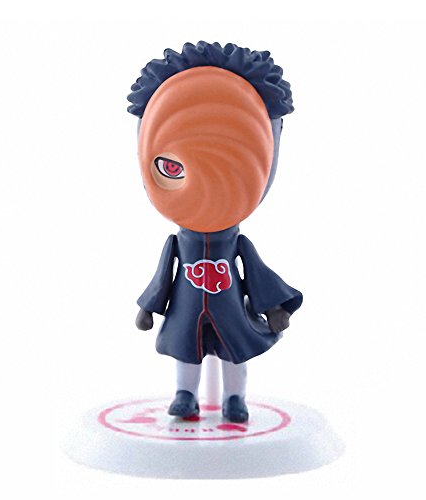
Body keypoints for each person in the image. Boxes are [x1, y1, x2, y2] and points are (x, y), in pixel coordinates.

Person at [127, 41, 302, 423]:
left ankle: (234, 399)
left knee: (232, 355)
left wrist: (273, 307)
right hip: (186, 309)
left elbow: (255, 273)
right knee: (186, 354)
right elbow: (163, 277)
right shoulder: (178, 242)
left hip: (229, 310)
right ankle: (185, 395)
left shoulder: (236, 242)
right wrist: (148, 307)